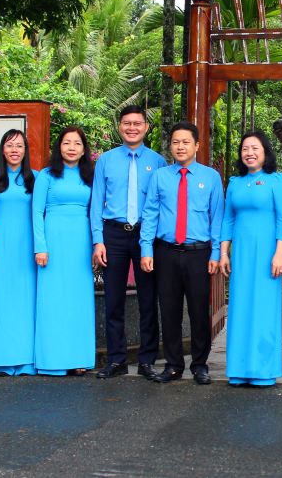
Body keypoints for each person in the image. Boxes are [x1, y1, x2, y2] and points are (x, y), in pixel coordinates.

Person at [140, 122, 223, 384]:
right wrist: (145, 248)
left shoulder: (210, 177)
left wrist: (216, 253)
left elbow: (217, 218)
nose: (180, 146)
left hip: (198, 253)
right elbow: (150, 213)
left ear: (197, 145)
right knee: (169, 310)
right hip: (165, 252)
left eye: (186, 142)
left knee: (199, 310)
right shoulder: (160, 176)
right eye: (176, 142)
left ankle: (200, 364)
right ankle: (174, 365)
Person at [91, 106, 167, 380]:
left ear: (146, 127)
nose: (132, 127)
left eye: (137, 123)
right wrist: (98, 242)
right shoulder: (106, 161)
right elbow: (96, 202)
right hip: (113, 235)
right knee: (113, 300)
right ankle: (116, 360)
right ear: (119, 127)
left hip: (146, 236)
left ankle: (147, 360)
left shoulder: (158, 162)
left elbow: (161, 204)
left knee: (148, 299)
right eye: (127, 123)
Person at [219, 131, 282, 386]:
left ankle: (263, 369)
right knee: (239, 308)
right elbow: (227, 218)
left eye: (255, 148)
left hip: (267, 254)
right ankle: (238, 368)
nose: (249, 153)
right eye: (245, 148)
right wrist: (223, 252)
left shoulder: (277, 181)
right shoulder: (236, 183)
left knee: (263, 309)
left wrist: (279, 253)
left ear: (265, 152)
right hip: (241, 254)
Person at [32, 126, 96, 376]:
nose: (71, 147)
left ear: (84, 149)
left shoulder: (90, 176)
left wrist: (94, 246)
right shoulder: (46, 176)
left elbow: (95, 213)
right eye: (67, 142)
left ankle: (78, 357)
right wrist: (40, 247)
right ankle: (52, 359)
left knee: (78, 301)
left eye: (77, 143)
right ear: (59, 147)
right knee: (53, 301)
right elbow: (37, 212)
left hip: (81, 243)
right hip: (53, 243)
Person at [0, 129, 38, 376]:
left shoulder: (35, 178)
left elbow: (41, 214)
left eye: (19, 146)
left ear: (25, 151)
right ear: (3, 150)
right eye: (10, 145)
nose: (14, 150)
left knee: (26, 301)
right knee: (0, 301)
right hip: (1, 245)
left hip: (28, 246)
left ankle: (26, 360)